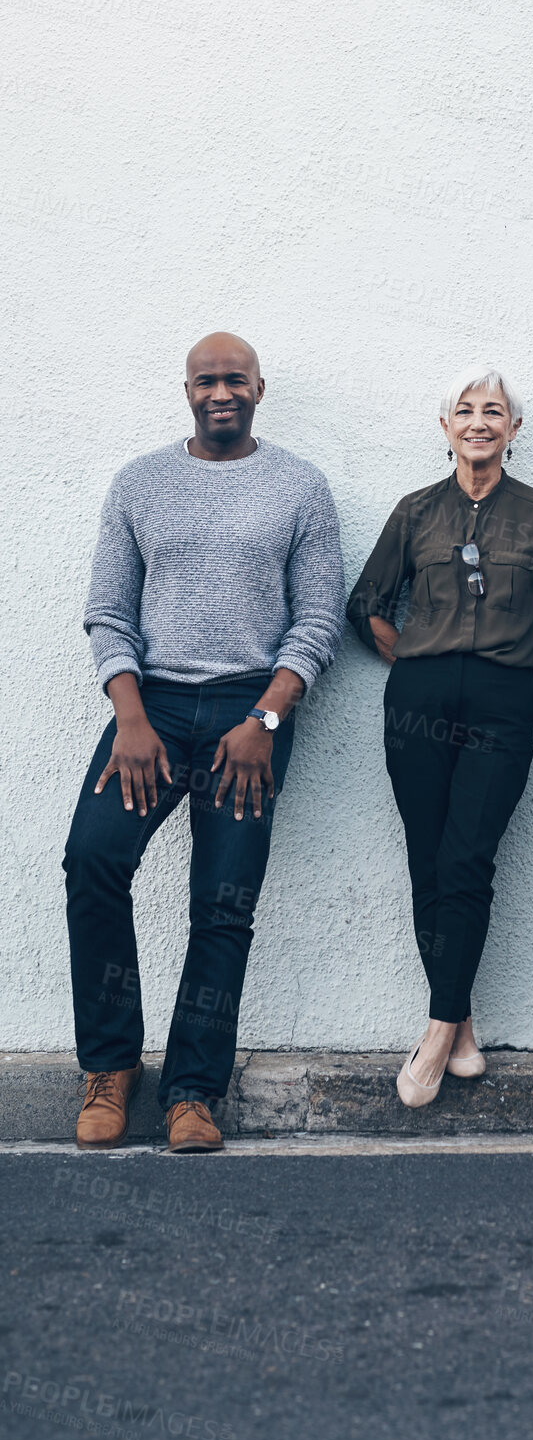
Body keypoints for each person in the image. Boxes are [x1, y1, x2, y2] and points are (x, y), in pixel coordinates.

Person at [64, 333, 345, 1152]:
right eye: (205, 380)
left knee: (223, 905)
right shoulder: (140, 482)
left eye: (234, 379)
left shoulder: (300, 487)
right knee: (94, 861)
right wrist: (129, 715)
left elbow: (317, 619)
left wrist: (266, 719)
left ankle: (192, 1090)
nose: (220, 391)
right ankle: (110, 1070)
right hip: (146, 709)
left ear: (260, 387)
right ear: (186, 390)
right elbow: (109, 611)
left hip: (246, 714)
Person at [347, 363, 533, 1108]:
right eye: (465, 409)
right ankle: (461, 1019)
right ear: (445, 427)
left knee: (467, 856)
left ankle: (436, 1027)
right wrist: (416, 660)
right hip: (417, 696)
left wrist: (513, 676)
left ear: (514, 430)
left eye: (494, 410)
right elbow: (367, 604)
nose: (478, 420)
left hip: (501, 700)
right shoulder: (415, 511)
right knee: (428, 857)